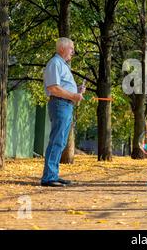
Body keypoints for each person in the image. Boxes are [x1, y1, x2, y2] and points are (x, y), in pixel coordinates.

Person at [41, 38, 86, 187]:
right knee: (57, 140)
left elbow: (62, 86)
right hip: (60, 104)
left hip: (66, 105)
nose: (73, 52)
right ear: (62, 48)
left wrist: (77, 91)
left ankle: (53, 174)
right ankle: (49, 177)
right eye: (71, 48)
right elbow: (53, 88)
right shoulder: (55, 63)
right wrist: (74, 95)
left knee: (60, 142)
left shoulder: (63, 65)